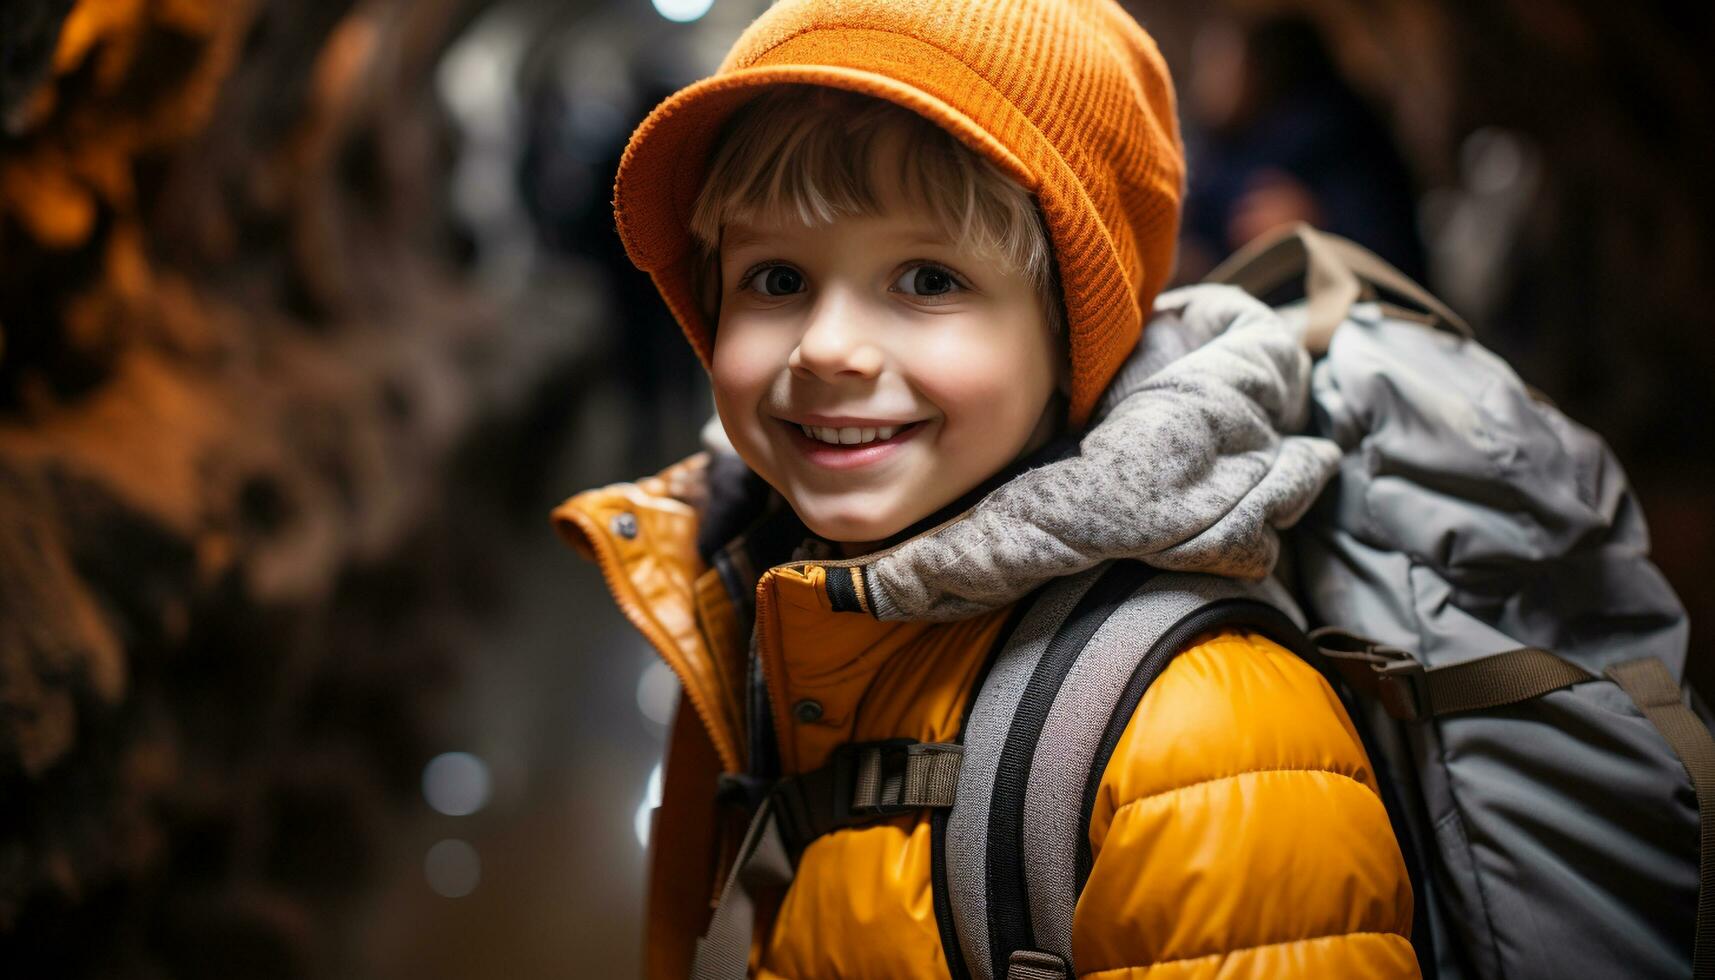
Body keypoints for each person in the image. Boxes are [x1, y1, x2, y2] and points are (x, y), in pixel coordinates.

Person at [551, 0, 1416, 976]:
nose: (827, 348)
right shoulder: (785, 600)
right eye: (776, 278)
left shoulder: (1203, 740)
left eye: (926, 279)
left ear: (1070, 334)